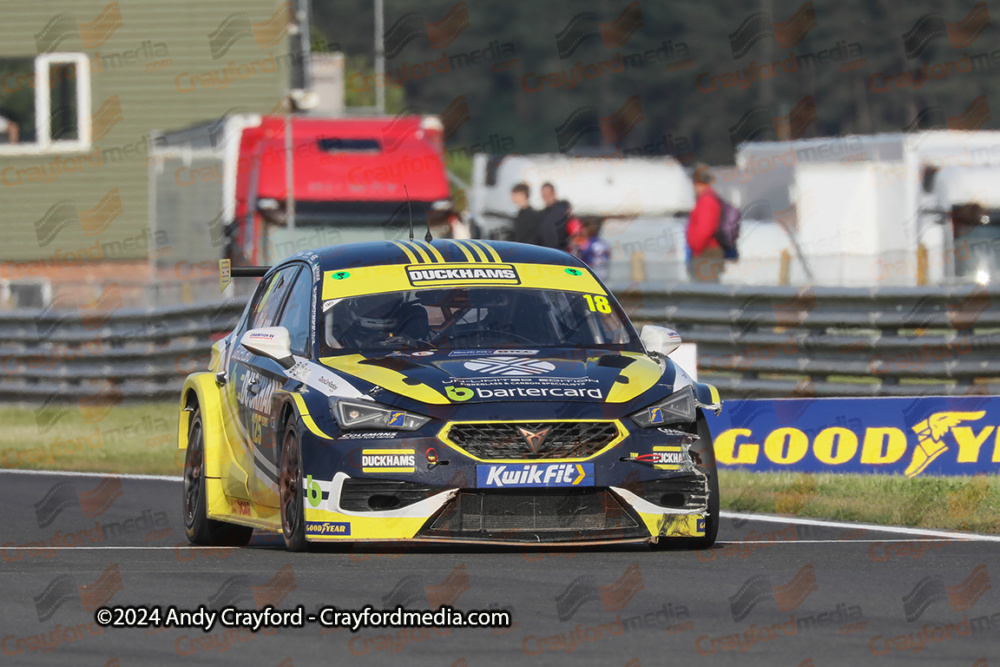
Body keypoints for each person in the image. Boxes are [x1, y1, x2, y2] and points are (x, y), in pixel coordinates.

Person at [686, 163, 725, 283]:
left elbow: (705, 230)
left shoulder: (707, 201)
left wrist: (696, 250)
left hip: (706, 254)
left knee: (705, 288)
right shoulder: (708, 199)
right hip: (706, 252)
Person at [511, 183, 558, 247]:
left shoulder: (531, 216)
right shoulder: (520, 214)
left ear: (523, 195)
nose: (513, 197)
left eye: (515, 195)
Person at [571, 217, 611, 281]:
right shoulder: (604, 244)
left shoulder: (585, 245)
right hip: (603, 276)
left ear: (588, 229)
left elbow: (576, 262)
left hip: (590, 277)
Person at [540, 182, 571, 251]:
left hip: (560, 251)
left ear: (554, 193)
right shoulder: (543, 214)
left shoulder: (562, 209)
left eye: (548, 194)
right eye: (544, 195)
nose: (546, 197)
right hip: (546, 250)